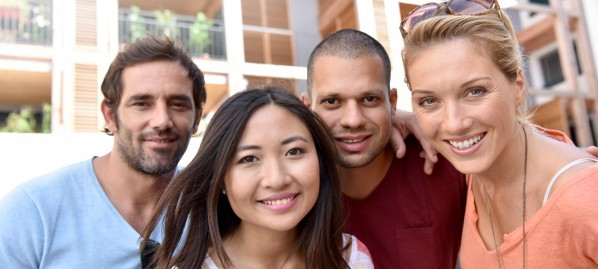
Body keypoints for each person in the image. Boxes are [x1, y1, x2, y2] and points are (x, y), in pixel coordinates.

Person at [401, 0, 598, 267]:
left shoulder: (586, 199)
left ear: (518, 86)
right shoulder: (471, 173)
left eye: (475, 91)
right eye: (429, 101)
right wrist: (390, 116)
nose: (454, 124)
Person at [0, 35, 206, 268]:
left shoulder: (213, 207)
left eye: (177, 104)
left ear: (196, 118)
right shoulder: (32, 212)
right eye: (142, 103)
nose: (161, 121)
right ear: (110, 115)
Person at [141, 86, 374, 269]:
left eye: (294, 152)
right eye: (249, 159)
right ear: (220, 178)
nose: (277, 179)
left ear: (320, 161)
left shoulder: (351, 259)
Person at [302, 28, 467, 269]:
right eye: (332, 102)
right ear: (308, 107)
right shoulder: (294, 186)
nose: (353, 120)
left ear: (392, 103)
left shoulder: (444, 162)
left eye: (369, 99)